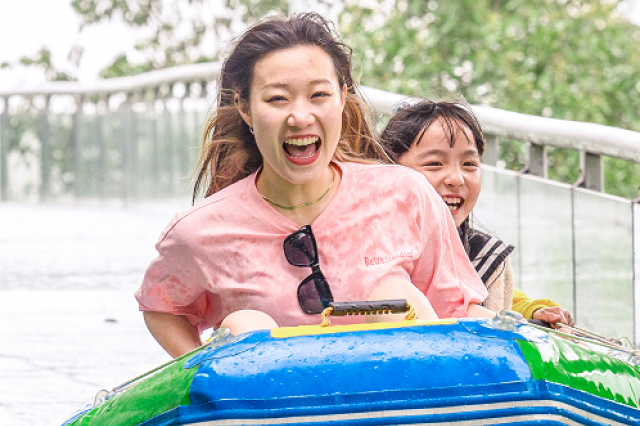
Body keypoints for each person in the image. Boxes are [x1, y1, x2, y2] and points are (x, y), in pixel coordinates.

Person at [135, 13, 491, 358]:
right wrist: (195, 371)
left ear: (341, 97)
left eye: (319, 95)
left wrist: (532, 327)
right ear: (244, 108)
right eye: (277, 98)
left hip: (402, 404)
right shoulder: (200, 231)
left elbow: (459, 307)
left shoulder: (405, 194)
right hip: (278, 411)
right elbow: (162, 306)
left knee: (397, 298)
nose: (300, 117)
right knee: (245, 324)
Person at [379, 99, 574, 328]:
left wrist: (535, 310)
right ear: (388, 169)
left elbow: (502, 299)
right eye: (434, 163)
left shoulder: (485, 257)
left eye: (469, 164)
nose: (456, 179)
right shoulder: (369, 248)